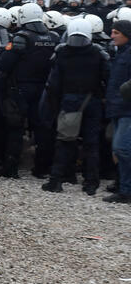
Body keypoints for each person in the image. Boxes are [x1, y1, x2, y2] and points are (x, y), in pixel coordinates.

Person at [41, 18, 109, 195]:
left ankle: (56, 180)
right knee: (91, 143)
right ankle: (91, 183)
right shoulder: (98, 53)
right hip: (92, 100)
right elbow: (107, 78)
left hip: (69, 100)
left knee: (64, 140)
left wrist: (54, 106)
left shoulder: (61, 52)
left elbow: (53, 83)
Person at [0, 3, 59, 178]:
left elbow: (4, 64)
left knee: (15, 127)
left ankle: (11, 168)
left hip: (21, 88)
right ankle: (41, 169)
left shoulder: (21, 37)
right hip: (44, 88)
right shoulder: (54, 37)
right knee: (42, 128)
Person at [104, 20, 131, 203]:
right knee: (118, 149)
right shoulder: (121, 53)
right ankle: (122, 184)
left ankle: (126, 190)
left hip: (127, 110)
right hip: (117, 108)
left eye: (116, 33)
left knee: (122, 149)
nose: (112, 36)